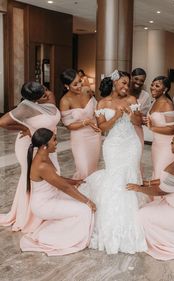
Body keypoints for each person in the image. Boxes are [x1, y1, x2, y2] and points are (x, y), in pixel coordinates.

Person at [79, 70, 148, 254]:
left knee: (130, 176)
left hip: (131, 144)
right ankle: (111, 219)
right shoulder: (103, 103)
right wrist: (117, 116)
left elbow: (139, 122)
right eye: (123, 83)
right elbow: (102, 128)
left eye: (128, 84)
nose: (127, 87)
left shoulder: (132, 100)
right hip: (113, 145)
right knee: (114, 178)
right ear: (114, 83)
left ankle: (132, 218)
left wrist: (130, 114)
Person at [127, 131, 174, 260]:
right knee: (146, 208)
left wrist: (139, 189)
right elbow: (166, 180)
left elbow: (161, 191)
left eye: (173, 142)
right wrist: (146, 183)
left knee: (142, 215)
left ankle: (172, 242)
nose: (170, 144)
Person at [20, 128, 95, 256]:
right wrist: (88, 202)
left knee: (83, 195)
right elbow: (64, 187)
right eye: (54, 140)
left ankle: (70, 229)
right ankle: (60, 238)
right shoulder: (41, 165)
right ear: (44, 146)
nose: (56, 142)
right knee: (85, 209)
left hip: (53, 196)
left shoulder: (44, 155)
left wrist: (75, 182)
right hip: (44, 205)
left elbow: (57, 179)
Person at [0, 82, 60, 232]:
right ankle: (28, 215)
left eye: (45, 90)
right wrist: (25, 127)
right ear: (34, 100)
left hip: (49, 144)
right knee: (31, 179)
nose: (47, 94)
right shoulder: (26, 108)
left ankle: (46, 209)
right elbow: (2, 122)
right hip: (30, 146)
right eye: (43, 94)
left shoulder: (49, 96)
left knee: (53, 174)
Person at [60, 69, 101, 179]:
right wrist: (84, 123)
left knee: (93, 166)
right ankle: (82, 193)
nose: (79, 85)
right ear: (66, 86)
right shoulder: (65, 101)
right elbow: (69, 126)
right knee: (83, 167)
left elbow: (97, 110)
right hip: (80, 137)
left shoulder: (87, 90)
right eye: (75, 84)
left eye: (80, 81)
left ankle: (91, 192)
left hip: (94, 135)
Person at [146, 76, 174, 180]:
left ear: (165, 89)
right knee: (157, 172)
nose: (153, 88)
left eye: (157, 86)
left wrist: (152, 127)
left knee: (161, 175)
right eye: (152, 85)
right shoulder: (155, 101)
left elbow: (173, 129)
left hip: (167, 146)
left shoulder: (168, 104)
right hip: (156, 145)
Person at [129, 68, 151, 148]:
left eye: (142, 80)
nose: (138, 82)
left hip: (136, 131)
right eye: (136, 79)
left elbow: (143, 117)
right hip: (122, 130)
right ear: (131, 77)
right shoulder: (124, 92)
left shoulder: (145, 96)